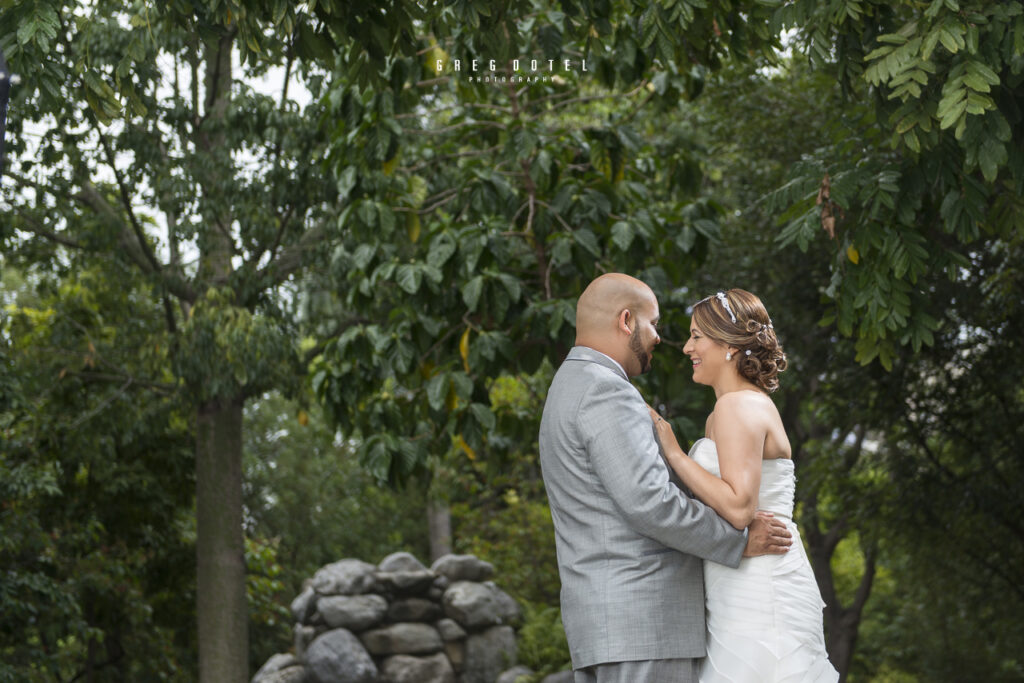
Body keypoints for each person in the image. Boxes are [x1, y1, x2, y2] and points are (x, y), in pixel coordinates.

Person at [539, 273, 793, 683]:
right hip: (644, 622)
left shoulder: (569, 385)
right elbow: (650, 502)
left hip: (614, 624)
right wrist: (739, 542)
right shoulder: (606, 390)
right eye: (653, 324)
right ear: (626, 321)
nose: (660, 338)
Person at [649, 289, 839, 682]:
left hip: (758, 588)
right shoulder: (732, 408)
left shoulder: (736, 406)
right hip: (738, 578)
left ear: (729, 345)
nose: (687, 348)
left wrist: (675, 454)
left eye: (697, 336)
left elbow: (739, 509)